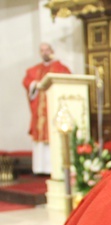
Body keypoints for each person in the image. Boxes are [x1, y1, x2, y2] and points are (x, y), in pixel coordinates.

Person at [22, 42, 71, 175]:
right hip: (39, 112)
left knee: (53, 135)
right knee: (41, 138)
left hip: (54, 109)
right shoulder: (33, 70)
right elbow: (26, 82)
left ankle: (54, 167)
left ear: (52, 50)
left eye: (47, 49)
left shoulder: (60, 67)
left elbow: (68, 80)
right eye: (42, 50)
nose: (45, 52)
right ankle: (40, 168)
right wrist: (35, 84)